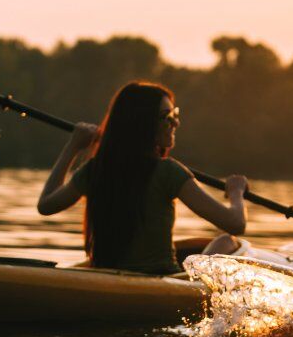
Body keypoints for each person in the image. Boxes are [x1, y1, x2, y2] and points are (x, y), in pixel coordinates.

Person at [37, 81, 248, 275]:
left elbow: (46, 204)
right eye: (168, 116)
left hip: (106, 275)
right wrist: (236, 191)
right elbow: (235, 224)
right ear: (143, 123)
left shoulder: (96, 169)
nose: (176, 122)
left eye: (175, 113)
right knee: (228, 241)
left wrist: (73, 146)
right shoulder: (168, 172)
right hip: (161, 277)